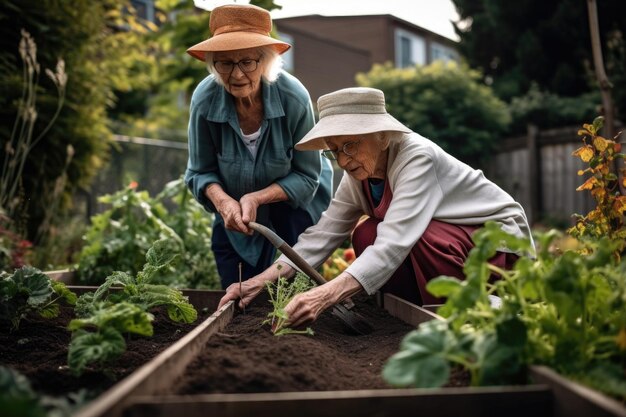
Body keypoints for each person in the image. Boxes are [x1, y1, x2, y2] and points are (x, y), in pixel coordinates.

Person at [218, 87, 535, 327]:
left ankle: (459, 317)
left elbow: (394, 243)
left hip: (497, 248)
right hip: (455, 247)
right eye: (334, 151)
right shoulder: (360, 172)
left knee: (420, 236)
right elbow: (323, 235)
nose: (343, 160)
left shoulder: (416, 158)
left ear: (383, 135)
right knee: (367, 233)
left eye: (351, 145)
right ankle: (409, 313)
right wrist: (258, 281)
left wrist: (325, 295)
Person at [184, 4, 333, 289]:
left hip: (295, 204)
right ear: (213, 64)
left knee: (296, 288)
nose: (237, 75)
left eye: (247, 62)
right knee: (237, 289)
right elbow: (199, 172)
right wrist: (223, 202)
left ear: (265, 61)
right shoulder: (204, 100)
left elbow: (306, 176)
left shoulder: (293, 98)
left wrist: (257, 198)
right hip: (235, 208)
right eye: (225, 63)